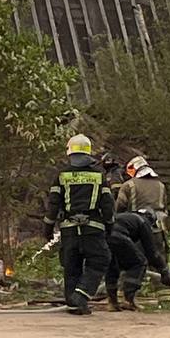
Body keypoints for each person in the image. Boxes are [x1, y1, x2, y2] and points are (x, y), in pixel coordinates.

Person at [43, 133, 114, 316]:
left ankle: (73, 302)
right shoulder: (98, 175)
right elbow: (107, 204)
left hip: (69, 230)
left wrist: (48, 228)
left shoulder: (62, 175)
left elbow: (53, 204)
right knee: (100, 260)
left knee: (71, 265)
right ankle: (80, 297)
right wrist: (110, 225)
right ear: (88, 153)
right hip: (93, 229)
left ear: (70, 154)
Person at [105, 208, 170, 311]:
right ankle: (128, 300)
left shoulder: (126, 217)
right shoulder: (144, 222)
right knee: (140, 263)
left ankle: (112, 303)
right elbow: (152, 252)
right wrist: (164, 271)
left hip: (103, 238)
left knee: (112, 266)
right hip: (120, 237)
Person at [115, 155, 170, 266]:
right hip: (159, 230)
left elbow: (119, 207)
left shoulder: (128, 185)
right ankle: (160, 281)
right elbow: (164, 207)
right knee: (159, 261)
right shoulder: (161, 185)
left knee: (135, 263)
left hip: (136, 230)